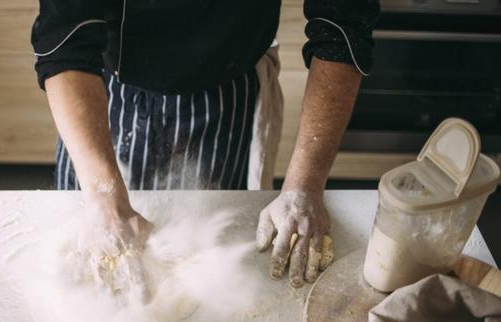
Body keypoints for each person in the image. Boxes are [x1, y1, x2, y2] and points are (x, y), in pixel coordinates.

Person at [31, 1, 379, 288]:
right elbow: (66, 41)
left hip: (226, 96)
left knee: (212, 265)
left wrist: (304, 185)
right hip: (104, 97)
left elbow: (342, 26)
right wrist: (103, 199)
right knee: (94, 250)